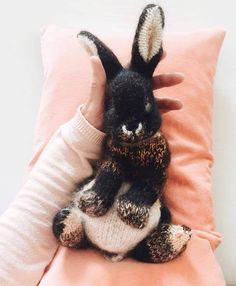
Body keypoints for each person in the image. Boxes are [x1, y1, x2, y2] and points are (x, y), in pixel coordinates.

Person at [0, 55, 184, 286]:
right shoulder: (113, 146)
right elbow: (111, 165)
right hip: (91, 226)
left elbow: (155, 177)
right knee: (104, 178)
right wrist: (100, 191)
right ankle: (78, 232)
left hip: (141, 219)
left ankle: (152, 246)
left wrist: (140, 197)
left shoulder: (157, 147)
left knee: (156, 211)